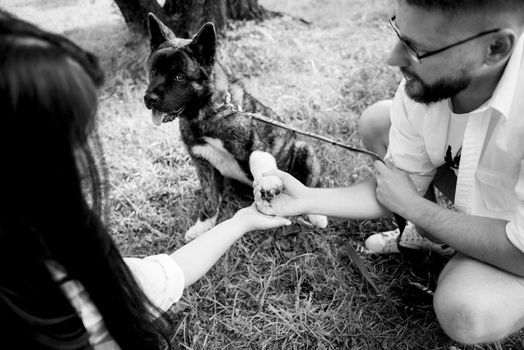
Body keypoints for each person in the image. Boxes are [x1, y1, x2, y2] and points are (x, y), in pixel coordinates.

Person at [0, 10, 291, 350]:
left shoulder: (71, 277)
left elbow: (157, 277)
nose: (79, 164)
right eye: (68, 150)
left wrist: (241, 219)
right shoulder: (72, 284)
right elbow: (149, 281)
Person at [254, 0, 524, 345]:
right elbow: (395, 186)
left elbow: (520, 251)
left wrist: (415, 208)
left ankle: (466, 252)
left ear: (495, 48)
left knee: (464, 310)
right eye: (399, 33)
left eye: (418, 48)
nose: (394, 58)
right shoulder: (430, 85)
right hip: (492, 204)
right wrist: (306, 199)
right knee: (379, 121)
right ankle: (446, 237)